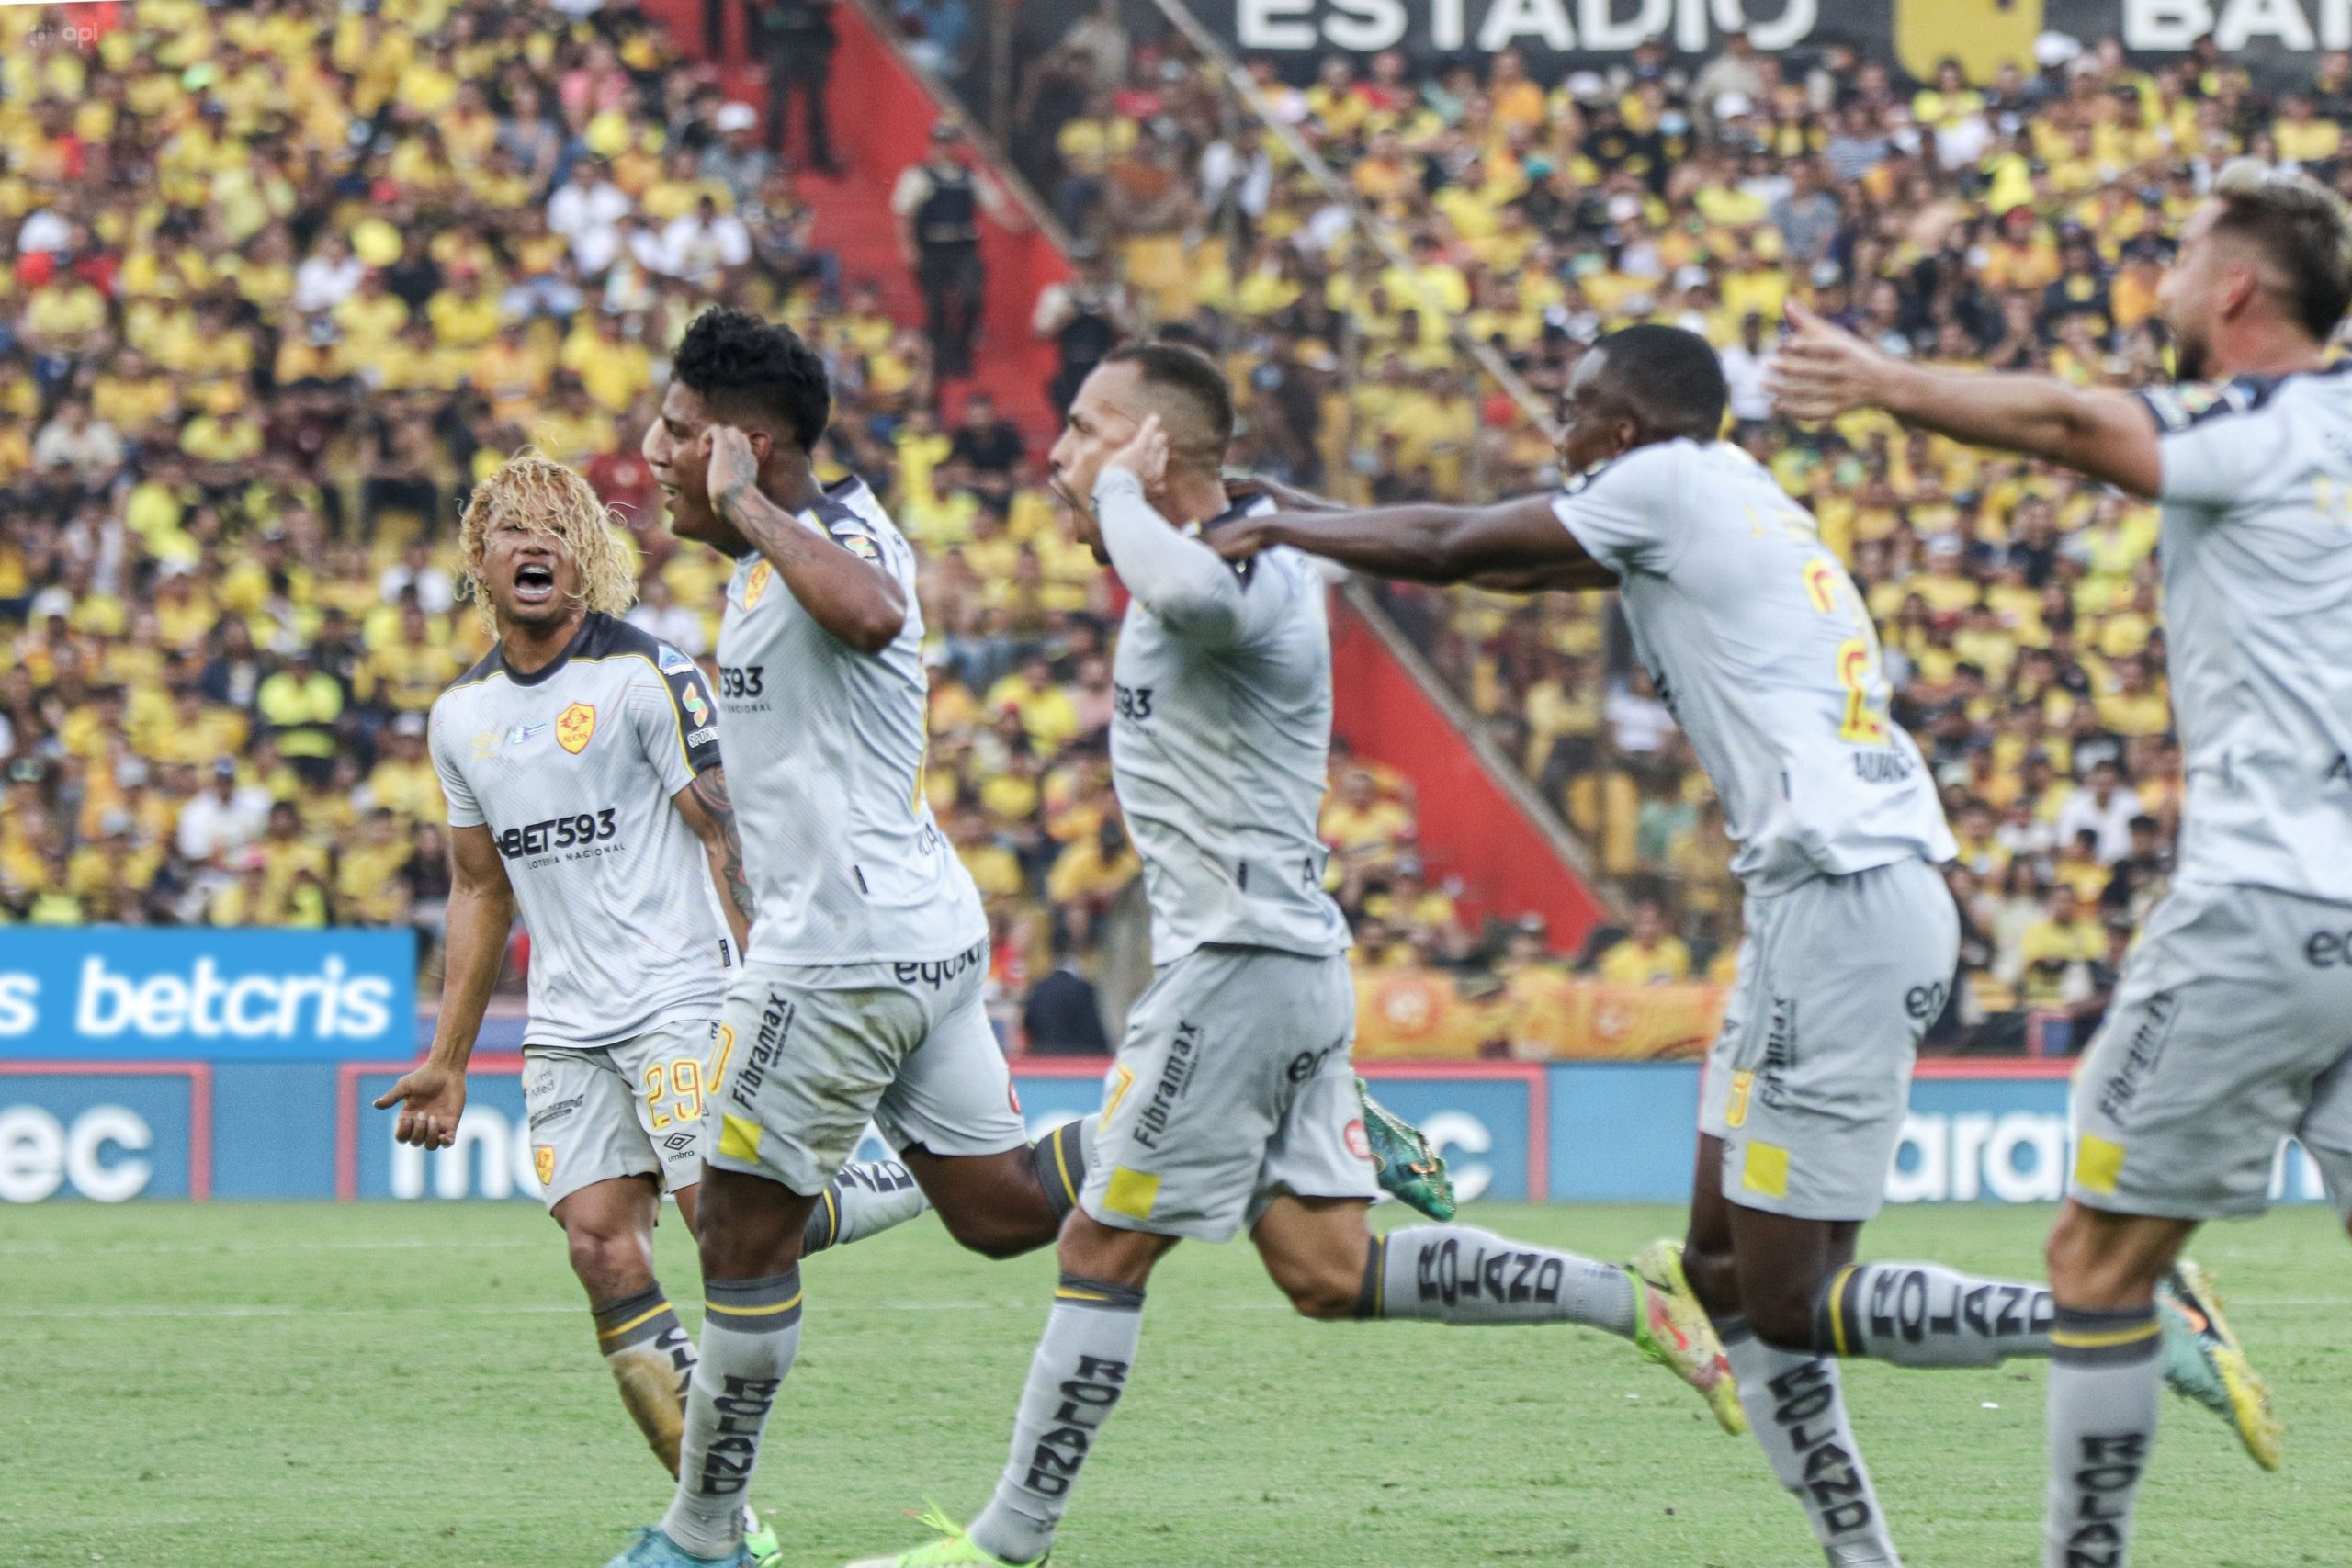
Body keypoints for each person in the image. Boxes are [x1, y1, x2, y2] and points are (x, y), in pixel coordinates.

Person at [1204, 324, 2263, 1567]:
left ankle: (2113, 1311)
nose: (1558, 433)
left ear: (1627, 428)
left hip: (1844, 899)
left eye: (1575, 410)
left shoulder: (1663, 481)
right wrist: (1299, 512)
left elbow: (1457, 545)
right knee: (1721, 1271)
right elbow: (1517, 566)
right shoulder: (1720, 493)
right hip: (1828, 901)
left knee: (1790, 1297)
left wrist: (1280, 526)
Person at [848, 342, 1741, 1568]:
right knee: (1328, 1270)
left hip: (1238, 965)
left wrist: (1122, 494)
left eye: (1085, 431)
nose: (1057, 457)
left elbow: (1195, 596)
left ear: (1151, 448)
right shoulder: (1228, 550)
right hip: (1274, 969)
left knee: (1101, 1246)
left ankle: (1007, 1544)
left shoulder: (1245, 565)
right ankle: (1633, 1297)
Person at [1770, 156, 2352, 1568]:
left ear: (2236, 287)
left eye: (2181, 257)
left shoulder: (2266, 421)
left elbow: (2079, 423)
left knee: (2097, 1260)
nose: (2161, 283)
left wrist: (1883, 380)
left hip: (2269, 908)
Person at [372, 457, 929, 1567]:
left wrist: (777, 981)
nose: (535, 543)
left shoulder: (647, 676)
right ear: (479, 559)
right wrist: (447, 1058)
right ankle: (720, 1529)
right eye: (512, 528)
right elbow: (480, 889)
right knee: (598, 1247)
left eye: (559, 527)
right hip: (567, 1025)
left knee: (732, 1228)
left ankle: (920, 1174)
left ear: (588, 556)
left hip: (683, 995)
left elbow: (727, 832)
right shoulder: (461, 717)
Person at [893, 124, 1004, 378]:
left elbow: (995, 207)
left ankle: (961, 353)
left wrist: (1019, 223)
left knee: (971, 298)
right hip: (932, 248)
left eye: (950, 143)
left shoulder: (970, 176)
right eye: (940, 144)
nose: (945, 149)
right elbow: (904, 215)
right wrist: (909, 249)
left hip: (963, 247)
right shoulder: (918, 175)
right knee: (936, 306)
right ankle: (941, 359)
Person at [753, 0, 837, 172]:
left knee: (816, 107)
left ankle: (820, 156)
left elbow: (830, 10)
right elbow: (768, 20)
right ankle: (772, 153)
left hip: (811, 48)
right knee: (778, 105)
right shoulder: (779, 9)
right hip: (784, 48)